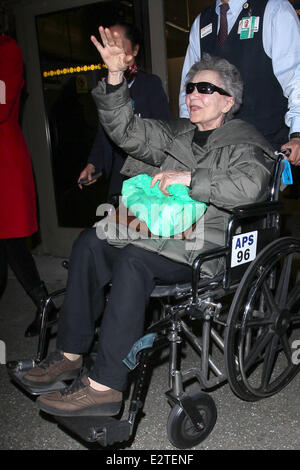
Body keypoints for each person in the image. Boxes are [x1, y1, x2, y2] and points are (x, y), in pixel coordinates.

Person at [23, 27, 276, 418]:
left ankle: (104, 386)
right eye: (190, 88)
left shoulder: (248, 142)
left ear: (228, 102)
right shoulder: (176, 134)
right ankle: (69, 354)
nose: (193, 95)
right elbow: (124, 129)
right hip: (161, 231)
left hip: (203, 245)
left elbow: (251, 185)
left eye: (205, 89)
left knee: (133, 260)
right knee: (92, 241)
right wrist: (114, 76)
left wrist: (191, 179)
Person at [179, 0, 300, 174]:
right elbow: (189, 88)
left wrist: (297, 134)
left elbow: (296, 78)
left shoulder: (273, 9)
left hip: (263, 150)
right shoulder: (202, 21)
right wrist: (186, 138)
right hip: (211, 153)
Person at [0, 35, 57, 338]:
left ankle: (45, 304)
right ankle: (45, 304)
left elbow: (1, 105)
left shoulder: (7, 51)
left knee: (11, 244)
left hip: (4, 165)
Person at [78, 21, 171, 201]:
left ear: (134, 50)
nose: (113, 49)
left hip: (146, 179)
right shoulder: (105, 89)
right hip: (117, 178)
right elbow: (102, 132)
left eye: (117, 44)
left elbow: (164, 133)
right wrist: (92, 165)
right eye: (108, 44)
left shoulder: (150, 84)